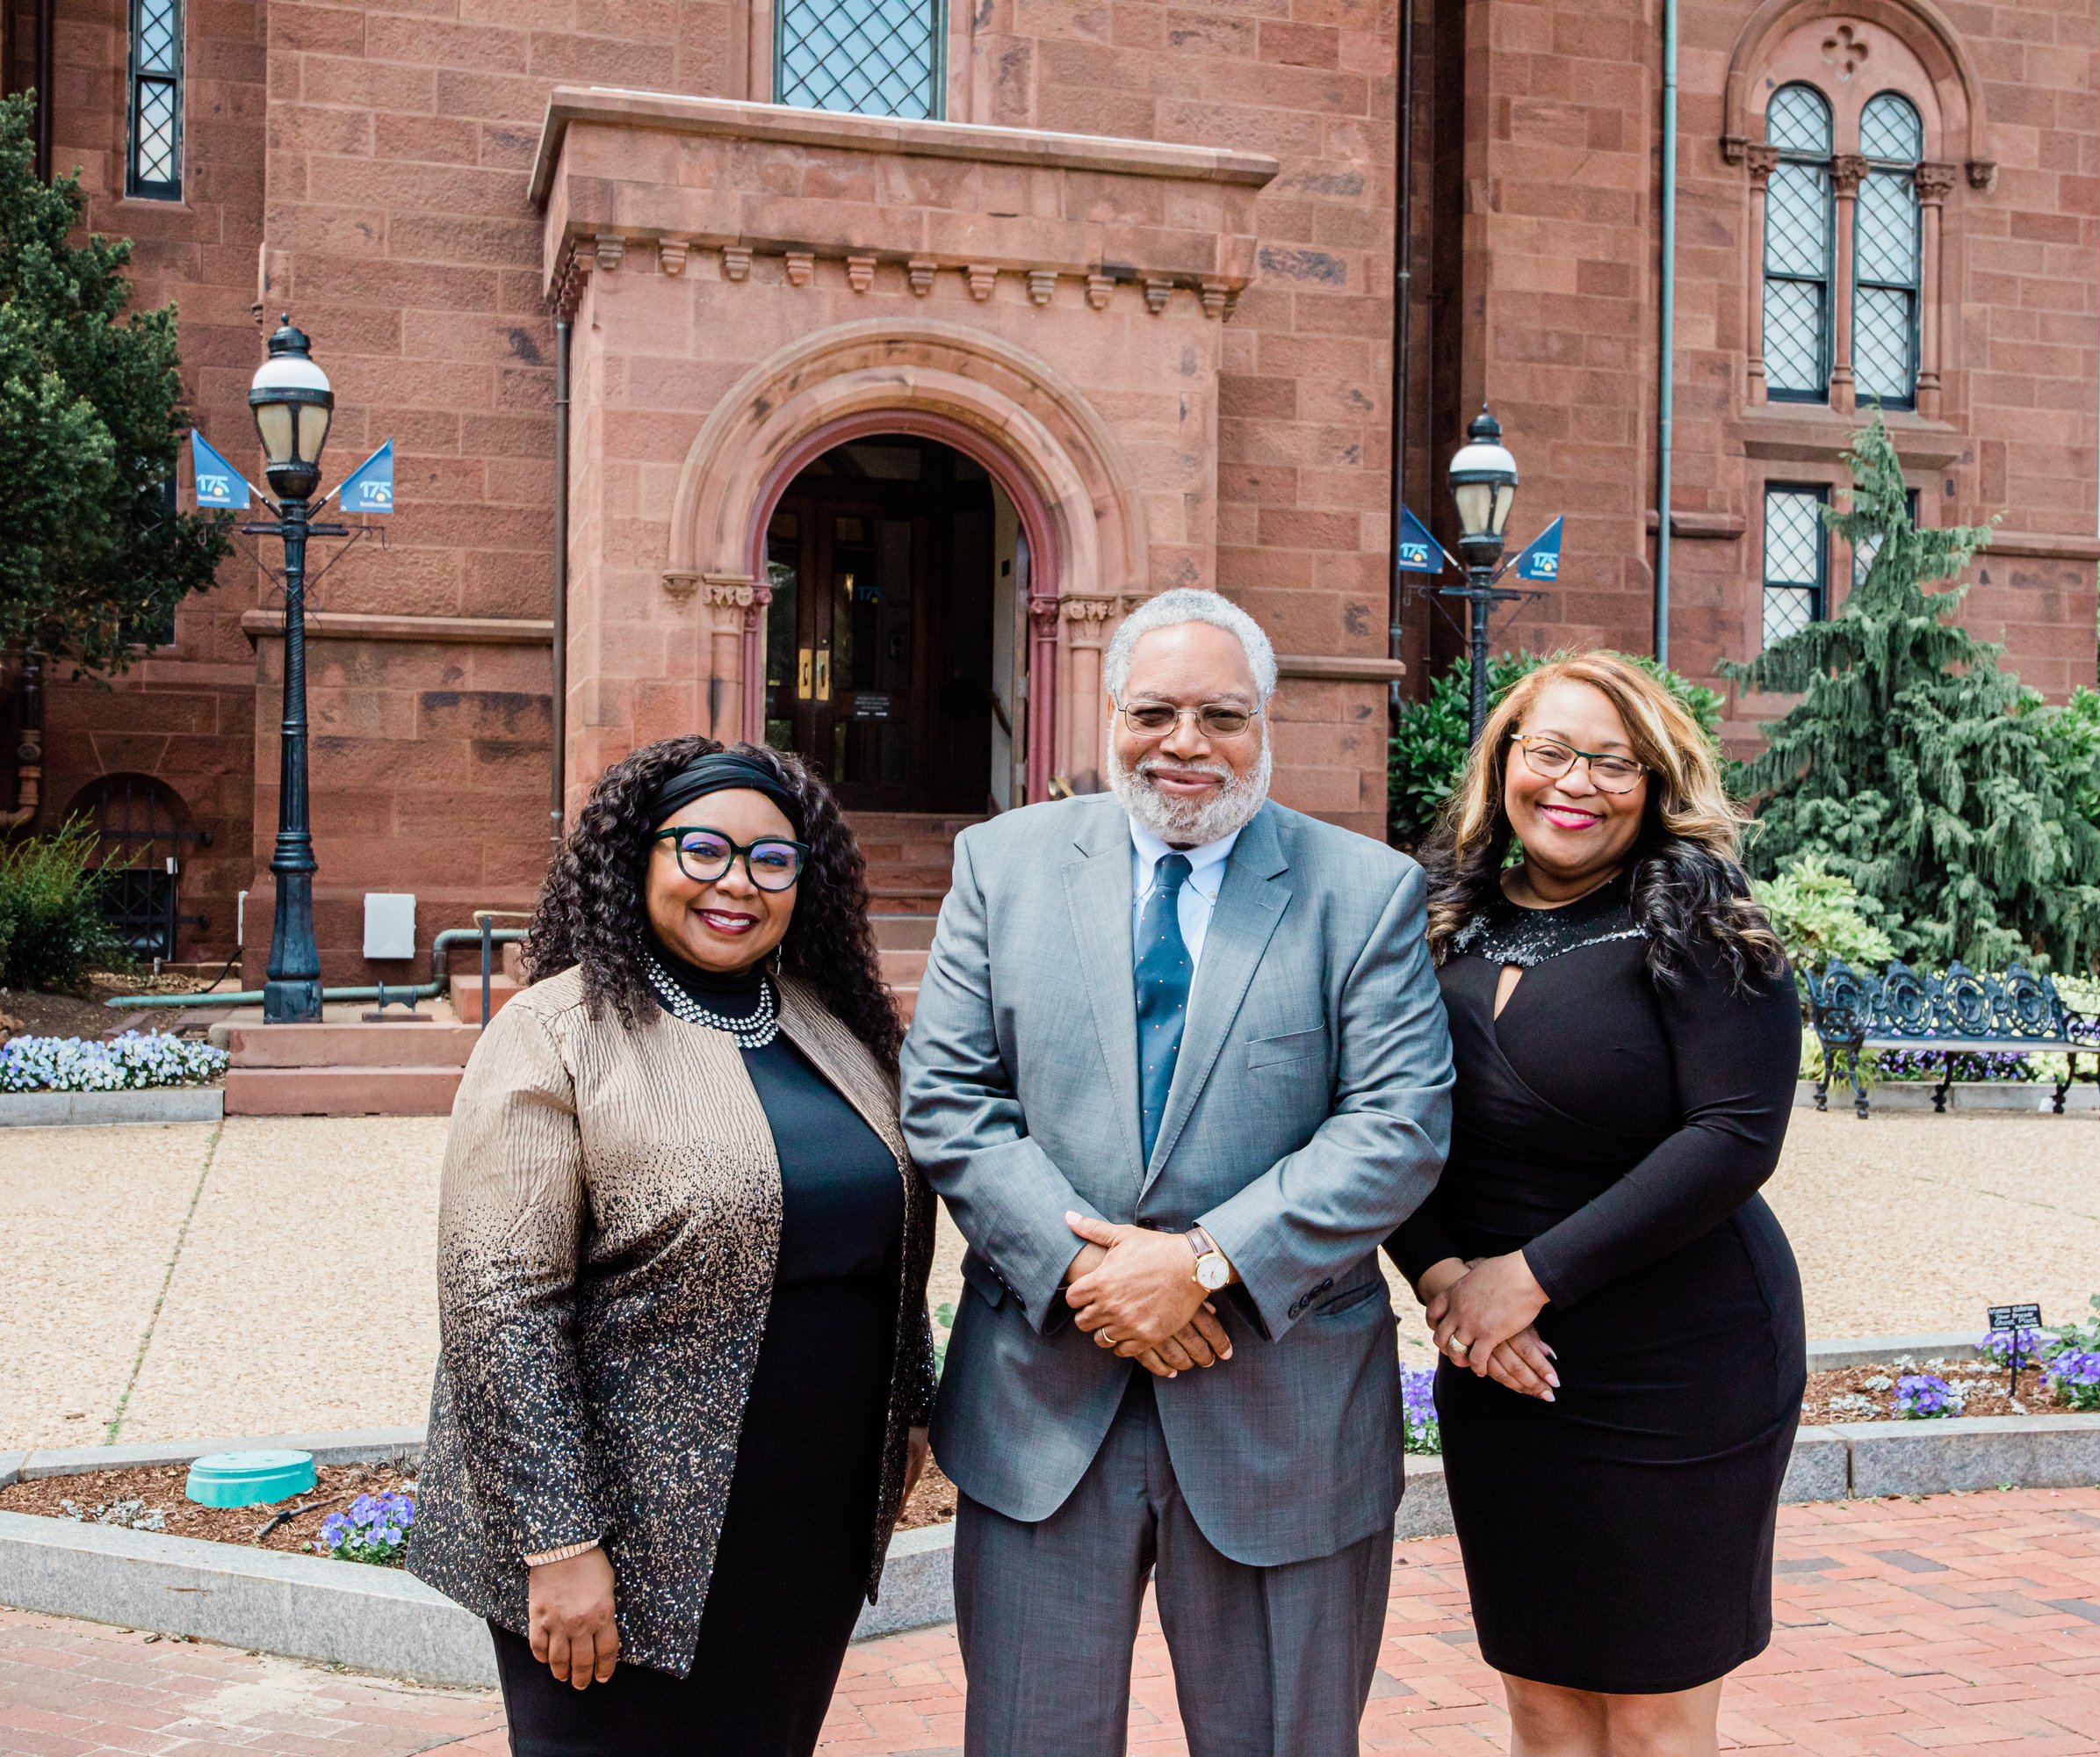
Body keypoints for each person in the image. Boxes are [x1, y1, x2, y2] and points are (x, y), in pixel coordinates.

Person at [900, 588, 1454, 1757]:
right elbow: (949, 1099)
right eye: (1156, 711)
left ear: (1268, 726)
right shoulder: (1000, 868)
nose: (1186, 744)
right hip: (1044, 1405)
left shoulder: (1364, 893)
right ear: (1108, 716)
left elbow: (1397, 1123)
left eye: (1223, 716)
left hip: (1282, 1410)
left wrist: (1204, 1266)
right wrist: (1094, 1278)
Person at [408, 738, 935, 1757]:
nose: (735, 882)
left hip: (804, 1526)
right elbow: (497, 1303)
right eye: (701, 849)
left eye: (771, 860)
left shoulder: (834, 1026)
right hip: (623, 1534)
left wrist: (909, 1408)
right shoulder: (556, 1031)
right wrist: (556, 1539)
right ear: (637, 858)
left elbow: (891, 1249)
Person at [1385, 654, 1803, 1757]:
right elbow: (1376, 1123)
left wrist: (1526, 1278)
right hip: (1498, 1361)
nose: (1575, 781)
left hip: (1680, 1354)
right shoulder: (1433, 919)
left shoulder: (1703, 922)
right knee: (1541, 1695)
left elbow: (1732, 1137)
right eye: (1549, 750)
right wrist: (1446, 1284)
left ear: (1656, 781)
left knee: (1655, 1710)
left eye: (1612, 760)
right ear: (1504, 764)